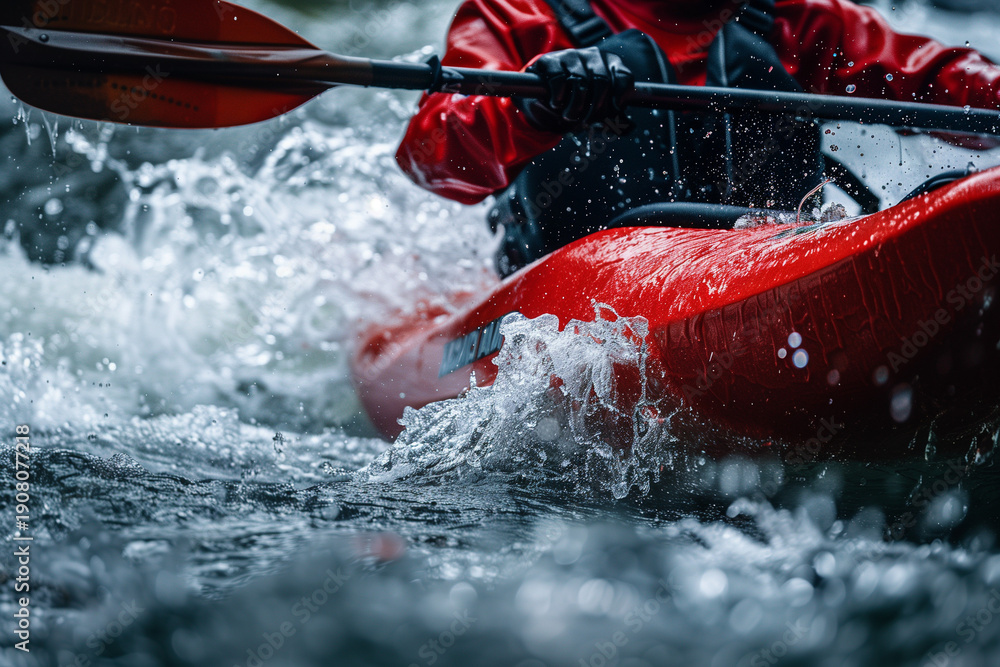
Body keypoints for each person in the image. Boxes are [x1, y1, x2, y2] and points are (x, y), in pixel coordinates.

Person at [396, 0, 1000, 275]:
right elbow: (433, 155)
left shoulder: (795, 20)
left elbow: (941, 79)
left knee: (748, 56)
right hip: (575, 276)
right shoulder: (520, 15)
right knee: (627, 57)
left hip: (765, 255)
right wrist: (537, 110)